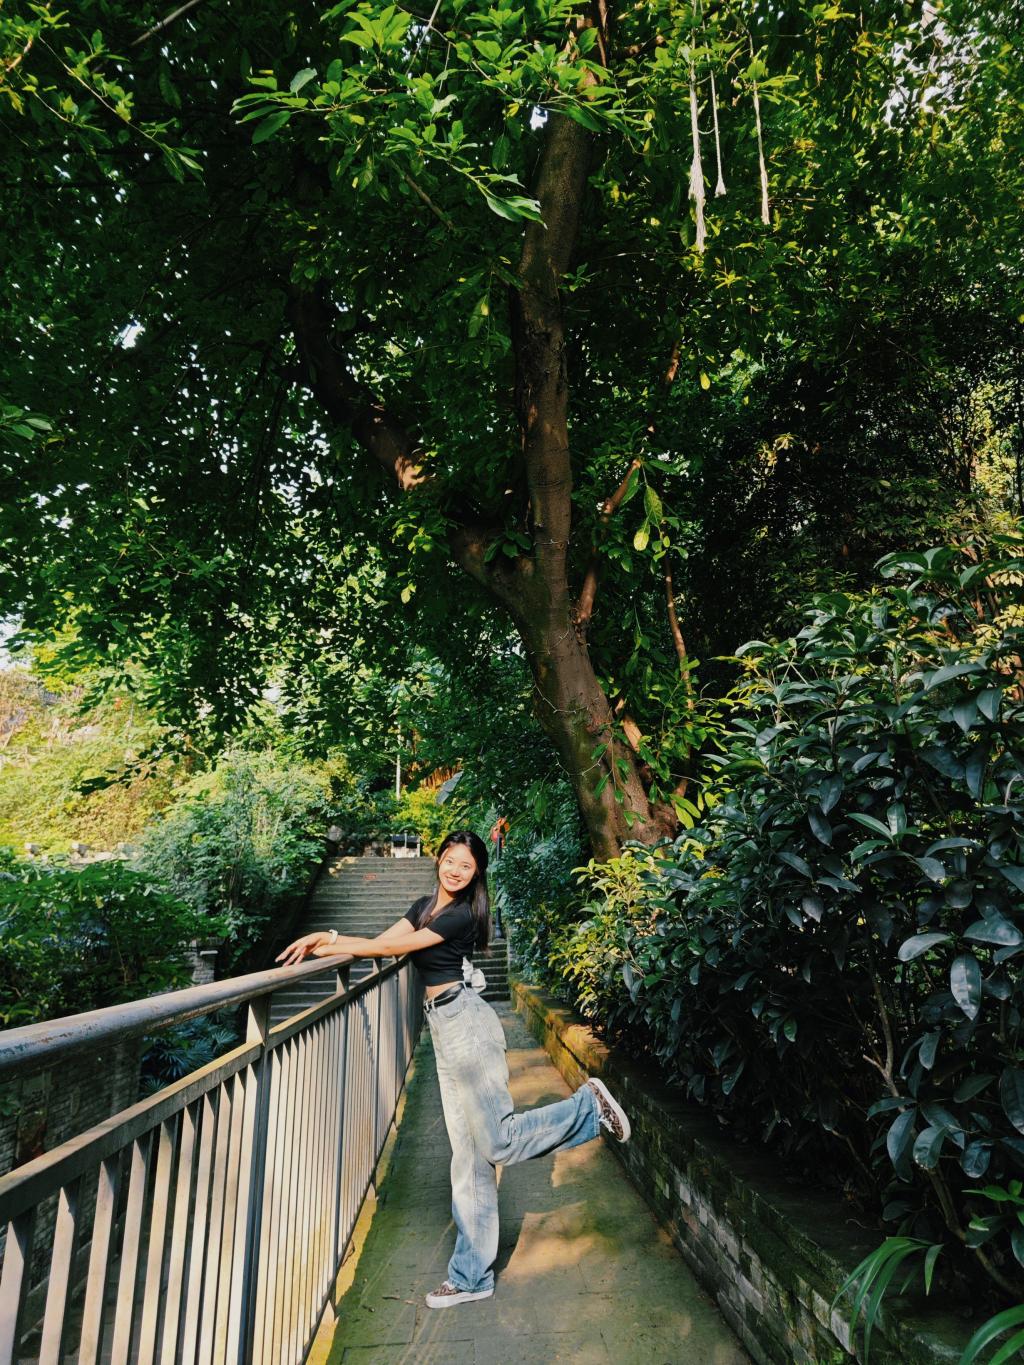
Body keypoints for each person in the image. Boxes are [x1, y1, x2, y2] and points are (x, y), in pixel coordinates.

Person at [275, 828, 630, 1308]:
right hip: (443, 1028)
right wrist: (326, 946)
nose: (455, 870)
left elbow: (389, 951)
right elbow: (381, 942)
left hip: (466, 1025)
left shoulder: (462, 914)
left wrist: (333, 937)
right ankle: (471, 1277)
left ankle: (587, 1107)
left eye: (466, 865)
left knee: (497, 1141)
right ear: (438, 858)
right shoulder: (424, 906)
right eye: (450, 860)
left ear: (477, 873)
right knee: (468, 1158)